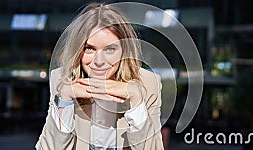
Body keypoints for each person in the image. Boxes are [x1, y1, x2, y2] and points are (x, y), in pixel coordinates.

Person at [35, 2, 163, 149]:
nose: (99, 61)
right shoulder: (62, 79)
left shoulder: (148, 83)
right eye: (89, 48)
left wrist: (136, 99)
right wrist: (65, 99)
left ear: (124, 51)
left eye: (110, 49)